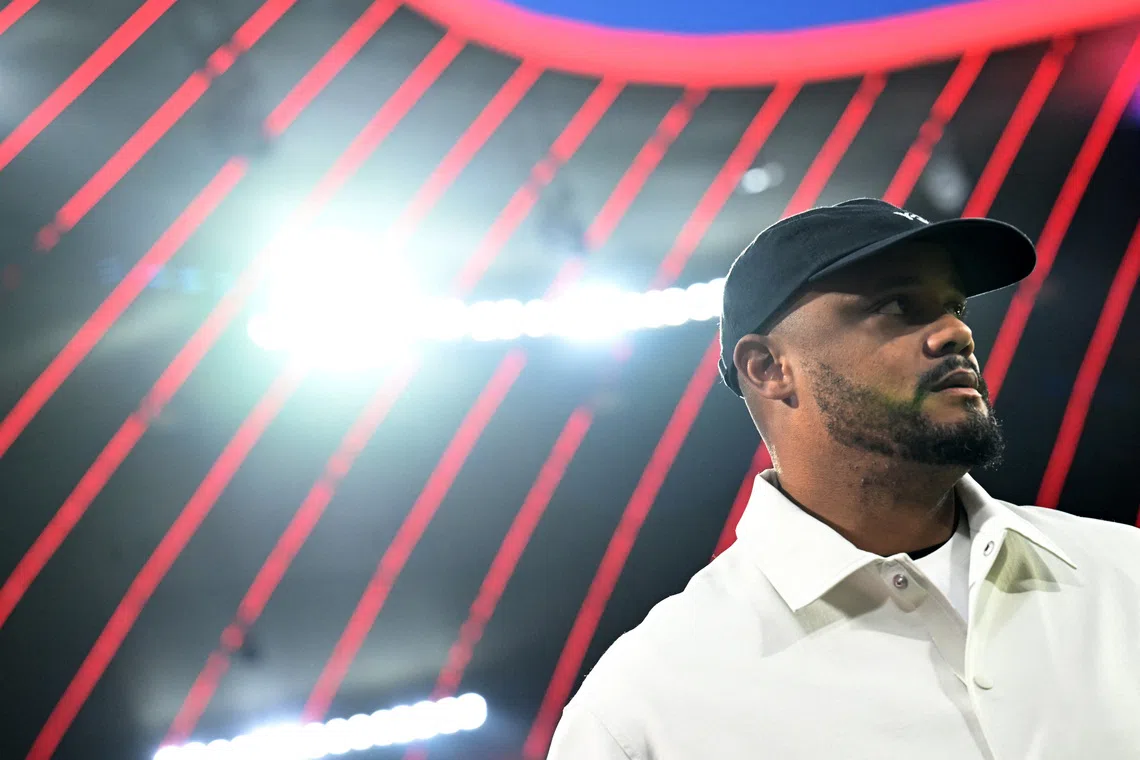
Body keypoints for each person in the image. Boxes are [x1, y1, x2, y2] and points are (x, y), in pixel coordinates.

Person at [546, 199, 1140, 759]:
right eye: (897, 306)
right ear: (769, 368)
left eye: (954, 307)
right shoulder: (645, 705)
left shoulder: (1125, 574)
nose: (957, 334)